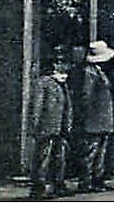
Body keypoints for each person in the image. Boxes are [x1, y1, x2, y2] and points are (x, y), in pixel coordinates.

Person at [76, 41, 114, 192]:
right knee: (91, 153)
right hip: (94, 120)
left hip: (101, 120)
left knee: (99, 152)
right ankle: (87, 182)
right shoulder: (90, 73)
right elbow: (85, 97)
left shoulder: (97, 71)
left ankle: (97, 180)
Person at [29, 57, 72, 198]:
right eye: (63, 63)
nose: (66, 66)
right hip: (47, 127)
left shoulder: (62, 82)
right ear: (55, 65)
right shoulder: (43, 82)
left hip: (61, 126)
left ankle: (58, 185)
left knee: (60, 157)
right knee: (43, 158)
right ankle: (39, 188)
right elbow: (37, 106)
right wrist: (35, 125)